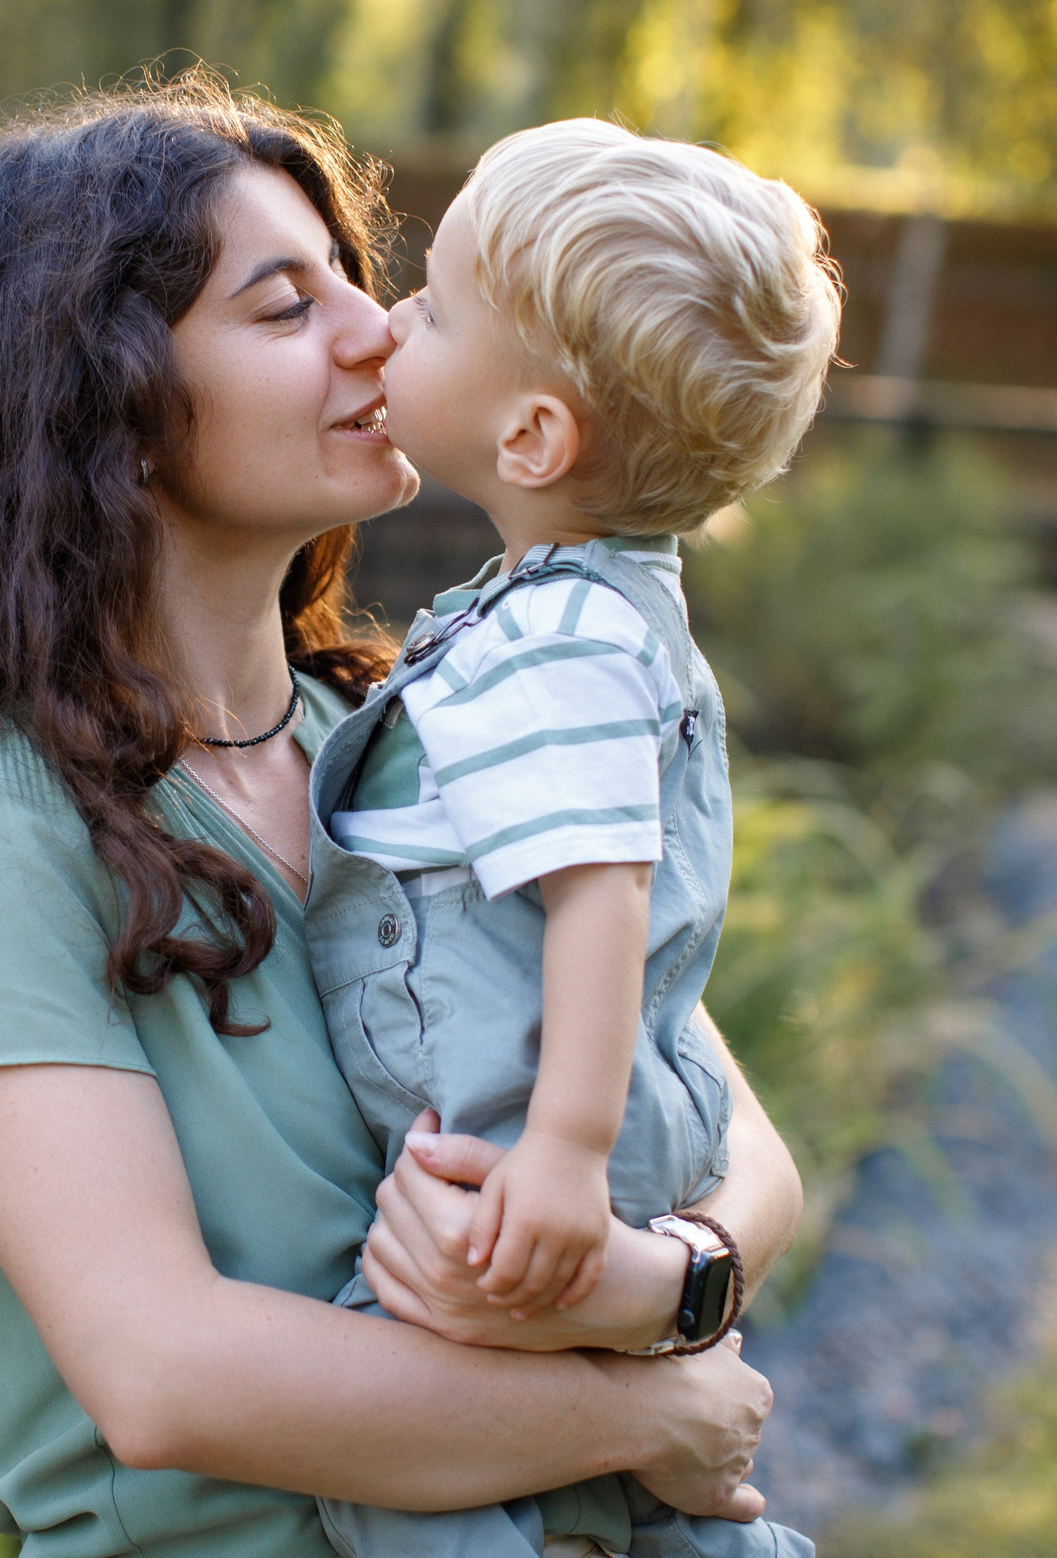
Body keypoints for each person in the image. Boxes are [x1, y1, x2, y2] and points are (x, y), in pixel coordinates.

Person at [0, 76, 807, 1558]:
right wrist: (644, 1416)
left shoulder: (410, 737)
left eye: (359, 288)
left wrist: (661, 1287)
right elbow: (166, 1376)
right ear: (105, 391)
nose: (378, 333)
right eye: (287, 308)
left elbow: (740, 1141)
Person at [310, 121, 842, 1558]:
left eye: (431, 309)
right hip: (555, 1145)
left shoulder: (557, 634)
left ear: (532, 435)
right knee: (597, 1473)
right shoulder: (587, 615)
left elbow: (600, 900)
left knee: (404, 1464)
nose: (387, 322)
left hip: (518, 1145)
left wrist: (559, 1150)